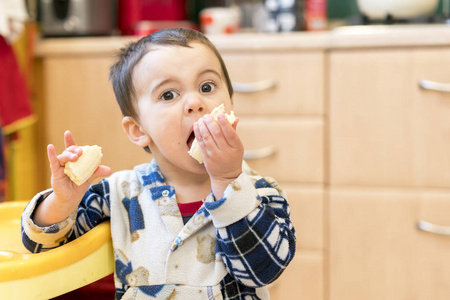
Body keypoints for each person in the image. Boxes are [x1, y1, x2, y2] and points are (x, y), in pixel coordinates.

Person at [21, 28, 296, 300]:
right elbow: (41, 248)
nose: (195, 102)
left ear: (230, 105)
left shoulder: (259, 193)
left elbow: (263, 271)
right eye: (168, 95)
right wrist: (62, 201)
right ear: (139, 130)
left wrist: (227, 181)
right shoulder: (117, 194)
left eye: (207, 87)